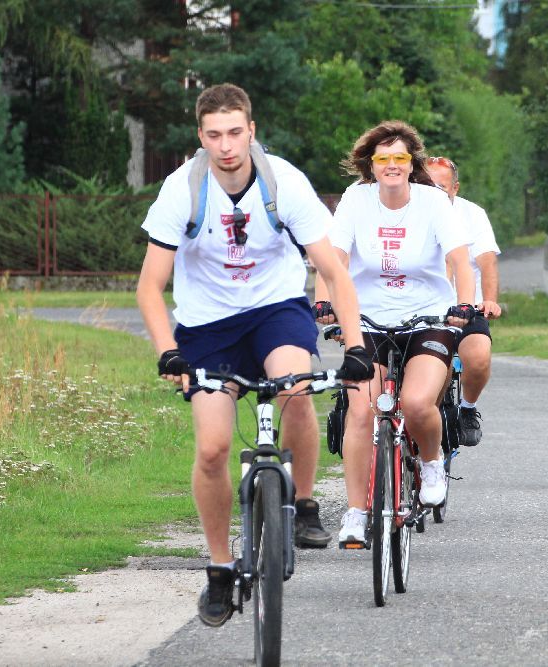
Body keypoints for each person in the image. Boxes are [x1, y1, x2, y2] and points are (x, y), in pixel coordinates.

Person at [136, 83, 372, 628]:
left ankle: (305, 504)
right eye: (214, 135)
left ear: (252, 131)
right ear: (201, 137)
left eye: (235, 132)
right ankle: (220, 567)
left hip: (275, 309)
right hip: (206, 325)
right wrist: (168, 352)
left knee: (294, 387)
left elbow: (332, 270)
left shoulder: (283, 181)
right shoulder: (182, 189)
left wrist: (356, 346)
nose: (226, 145)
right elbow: (150, 287)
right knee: (215, 448)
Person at [313, 120, 475, 547]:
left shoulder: (432, 201)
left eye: (399, 158)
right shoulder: (356, 198)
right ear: (370, 165)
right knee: (361, 411)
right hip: (365, 319)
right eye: (382, 158)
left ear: (411, 163)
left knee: (418, 402)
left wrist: (464, 305)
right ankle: (355, 511)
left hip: (427, 319)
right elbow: (333, 258)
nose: (391, 165)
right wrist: (324, 302)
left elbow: (461, 260)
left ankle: (434, 462)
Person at [424, 156, 501, 446]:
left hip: (466, 305)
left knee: (479, 357)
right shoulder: (408, 213)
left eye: (441, 187)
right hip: (422, 309)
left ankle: (467, 409)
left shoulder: (472, 214)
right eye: (427, 185)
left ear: (454, 188)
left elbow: (487, 261)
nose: (434, 192)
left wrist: (490, 301)